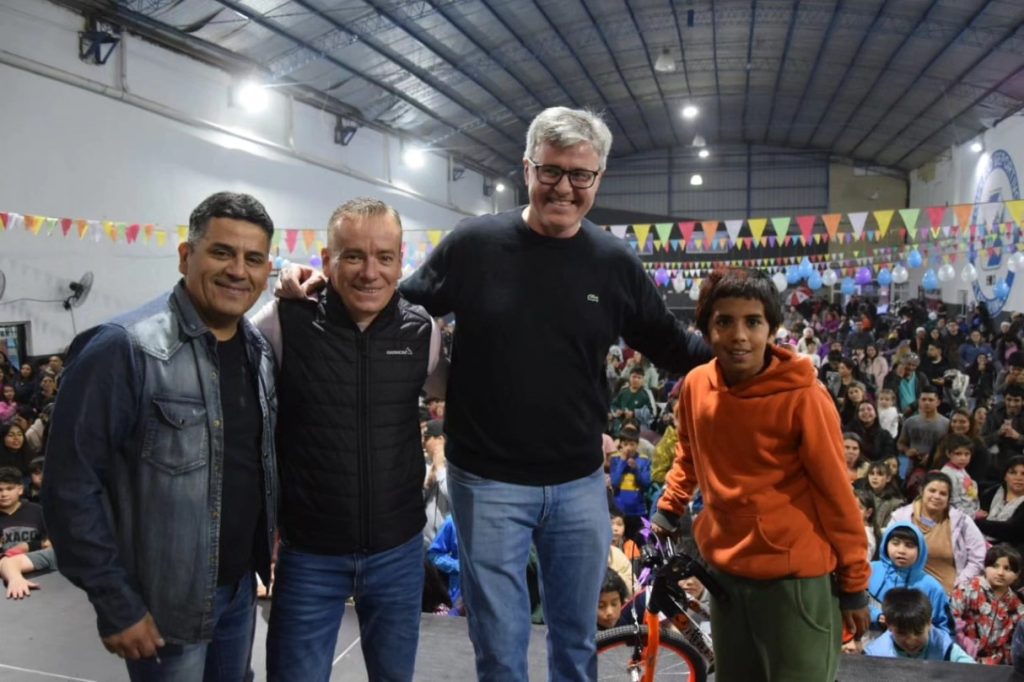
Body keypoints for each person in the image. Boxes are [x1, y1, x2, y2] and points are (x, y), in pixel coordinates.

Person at [394, 107, 712, 680]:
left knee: (577, 639)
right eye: (551, 171)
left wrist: (751, 355)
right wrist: (321, 290)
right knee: (499, 643)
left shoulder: (612, 263)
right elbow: (399, 306)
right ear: (527, 169)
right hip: (485, 479)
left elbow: (672, 344)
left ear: (598, 178)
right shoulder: (475, 245)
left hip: (577, 483)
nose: (564, 187)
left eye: (580, 174)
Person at [43, 191, 279, 681]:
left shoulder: (257, 350)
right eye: (222, 252)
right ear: (185, 255)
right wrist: (116, 603)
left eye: (253, 258)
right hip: (163, 607)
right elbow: (71, 486)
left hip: (239, 590)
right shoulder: (124, 347)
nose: (238, 270)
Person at [652, 267, 870, 682]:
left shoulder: (804, 397)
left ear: (772, 328)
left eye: (753, 322)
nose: (739, 335)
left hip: (794, 583)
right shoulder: (696, 385)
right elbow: (690, 453)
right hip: (726, 577)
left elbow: (836, 495)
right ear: (706, 328)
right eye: (724, 322)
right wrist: (670, 507)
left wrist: (855, 581)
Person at [258, 197, 443, 682]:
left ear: (400, 262)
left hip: (398, 550)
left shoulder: (422, 332)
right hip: (309, 554)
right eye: (353, 256)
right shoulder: (283, 322)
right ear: (327, 260)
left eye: (384, 257)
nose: (370, 272)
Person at [887, 471, 986, 594]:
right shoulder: (900, 517)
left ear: (949, 498)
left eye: (943, 493)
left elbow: (978, 557)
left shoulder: (962, 521)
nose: (937, 496)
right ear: (921, 491)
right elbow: (886, 551)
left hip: (949, 592)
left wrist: (960, 584)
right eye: (932, 491)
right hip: (904, 590)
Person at [867, 523, 953, 637]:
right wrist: (876, 616)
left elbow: (945, 631)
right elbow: (852, 604)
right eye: (895, 543)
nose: (901, 550)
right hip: (865, 640)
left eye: (909, 545)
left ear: (920, 550)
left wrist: (917, 628)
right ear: (885, 544)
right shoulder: (868, 571)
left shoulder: (932, 587)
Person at [951, 544, 1024, 665]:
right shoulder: (966, 590)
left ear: (1017, 575)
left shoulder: (1017, 607)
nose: (1000, 573)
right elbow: (952, 622)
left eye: (1007, 569)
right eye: (995, 566)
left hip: (996, 666)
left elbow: (1013, 645)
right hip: (960, 657)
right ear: (985, 567)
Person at [865, 588, 975, 662]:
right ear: (889, 625)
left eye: (918, 632)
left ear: (930, 623)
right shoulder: (875, 654)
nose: (911, 641)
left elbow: (971, 671)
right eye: (902, 633)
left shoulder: (944, 647)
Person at [976, 456, 1024, 556]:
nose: (1018, 478)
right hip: (978, 542)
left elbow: (1011, 530)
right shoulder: (989, 493)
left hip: (1013, 553)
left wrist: (975, 522)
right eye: (1013, 473)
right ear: (1005, 476)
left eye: (1023, 474)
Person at [0, 466, 47, 553]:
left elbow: (50, 542)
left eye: (9, 489)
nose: (4, 494)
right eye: (0, 490)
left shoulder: (38, 511)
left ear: (20, 490)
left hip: (36, 560)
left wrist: (29, 547)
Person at [939, 434, 980, 518]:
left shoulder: (961, 469)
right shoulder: (947, 474)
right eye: (958, 454)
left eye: (967, 454)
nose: (963, 458)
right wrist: (974, 514)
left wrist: (976, 510)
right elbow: (952, 503)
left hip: (969, 513)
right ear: (948, 453)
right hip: (957, 517)